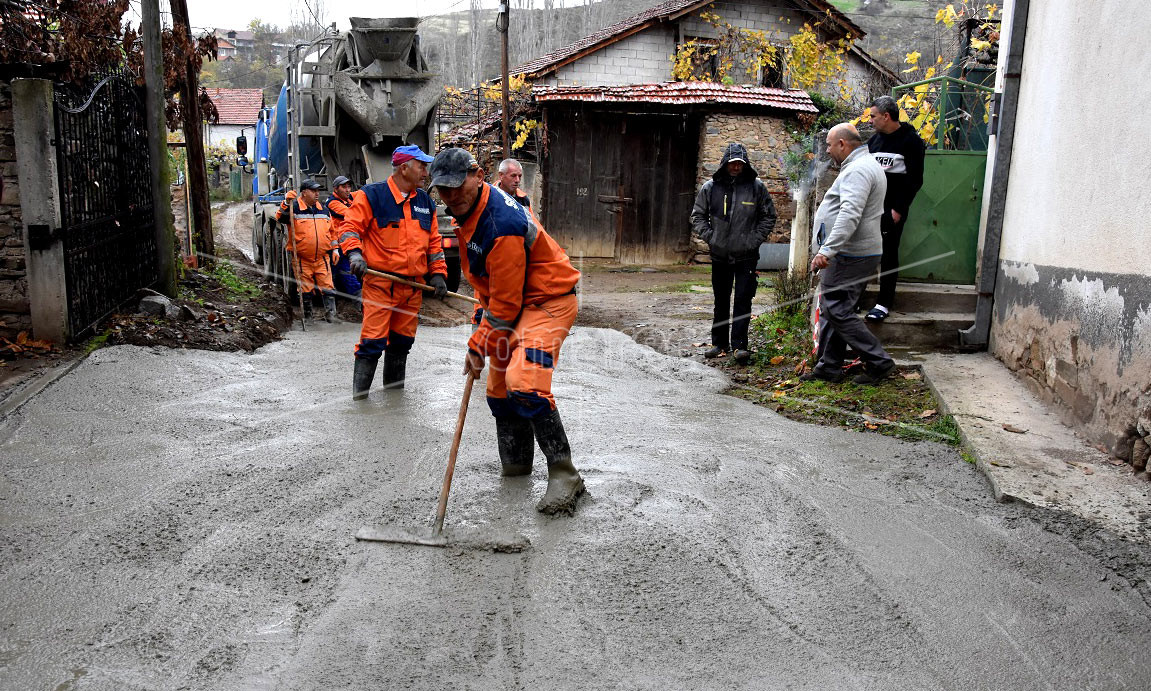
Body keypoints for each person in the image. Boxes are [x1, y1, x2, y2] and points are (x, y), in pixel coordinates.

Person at [429, 147, 585, 516]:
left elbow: (507, 305)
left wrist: (477, 345)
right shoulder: (469, 212)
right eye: (443, 190)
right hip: (510, 301)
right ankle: (516, 467)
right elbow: (492, 289)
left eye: (456, 187)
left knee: (525, 383)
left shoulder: (501, 223)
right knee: (499, 392)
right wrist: (480, 324)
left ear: (478, 175)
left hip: (546, 302)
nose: (450, 196)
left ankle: (565, 475)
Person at [340, 145, 449, 398]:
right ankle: (361, 402)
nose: (425, 171)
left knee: (402, 344)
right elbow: (349, 228)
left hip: (412, 290)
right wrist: (355, 254)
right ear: (404, 168)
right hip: (380, 285)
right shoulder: (372, 196)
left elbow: (433, 243)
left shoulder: (425, 202)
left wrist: (438, 274)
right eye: (421, 166)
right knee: (372, 343)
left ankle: (394, 401)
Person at [806, 123, 896, 385]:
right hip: (858, 253)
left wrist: (828, 250)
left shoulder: (858, 170)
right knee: (838, 310)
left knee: (836, 310)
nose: (827, 149)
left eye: (829, 145)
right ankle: (829, 367)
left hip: (850, 254)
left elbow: (849, 213)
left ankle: (879, 362)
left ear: (843, 144)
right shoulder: (865, 165)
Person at [690, 142, 777, 365]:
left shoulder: (756, 187)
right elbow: (697, 216)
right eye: (732, 163)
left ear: (745, 164)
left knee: (743, 300)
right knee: (721, 300)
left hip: (747, 255)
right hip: (720, 254)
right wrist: (711, 237)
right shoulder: (711, 187)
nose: (736, 167)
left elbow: (769, 216)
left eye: (740, 163)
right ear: (725, 164)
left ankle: (740, 346)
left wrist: (753, 240)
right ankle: (719, 344)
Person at [865, 95, 926, 323]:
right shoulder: (874, 142)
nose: (870, 121)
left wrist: (899, 209)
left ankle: (883, 303)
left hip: (892, 210)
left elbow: (915, 180)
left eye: (873, 116)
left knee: (889, 252)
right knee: (864, 250)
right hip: (870, 209)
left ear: (886, 116)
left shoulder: (911, 142)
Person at [276, 179, 338, 323]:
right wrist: (285, 202)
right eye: (313, 191)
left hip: (322, 258)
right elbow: (280, 217)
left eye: (318, 191)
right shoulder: (294, 208)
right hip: (302, 259)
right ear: (304, 193)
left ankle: (331, 316)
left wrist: (335, 250)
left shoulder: (324, 210)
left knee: (328, 287)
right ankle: (308, 317)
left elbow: (332, 232)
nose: (317, 194)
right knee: (305, 290)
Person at [324, 175, 362, 300]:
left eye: (349, 186)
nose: (347, 190)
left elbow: (362, 193)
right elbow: (350, 213)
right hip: (339, 244)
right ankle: (357, 298)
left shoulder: (348, 198)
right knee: (344, 270)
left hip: (349, 241)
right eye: (344, 187)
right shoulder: (333, 203)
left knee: (342, 271)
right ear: (335, 189)